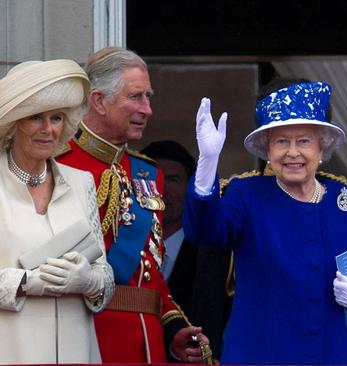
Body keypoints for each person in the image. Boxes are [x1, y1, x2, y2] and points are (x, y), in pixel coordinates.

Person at [183, 80, 347, 364]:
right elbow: (205, 231)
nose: (293, 152)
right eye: (281, 141)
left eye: (304, 141)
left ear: (322, 148)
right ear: (266, 149)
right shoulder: (246, 195)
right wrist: (207, 165)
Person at [56, 47, 208, 363]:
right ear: (99, 101)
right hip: (87, 336)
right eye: (136, 97)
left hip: (148, 343)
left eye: (148, 97)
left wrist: (173, 327)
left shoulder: (148, 172)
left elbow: (151, 271)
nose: (147, 109)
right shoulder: (57, 164)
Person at [0, 59, 115, 363]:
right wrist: (26, 283)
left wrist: (88, 280)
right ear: (14, 124)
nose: (47, 130)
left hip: (77, 349)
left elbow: (105, 274)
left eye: (56, 118)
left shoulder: (82, 183)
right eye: (35, 118)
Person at [140, 140, 232, 357]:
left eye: (172, 179)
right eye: (152, 179)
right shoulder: (123, 249)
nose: (162, 189)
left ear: (190, 187)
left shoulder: (211, 254)